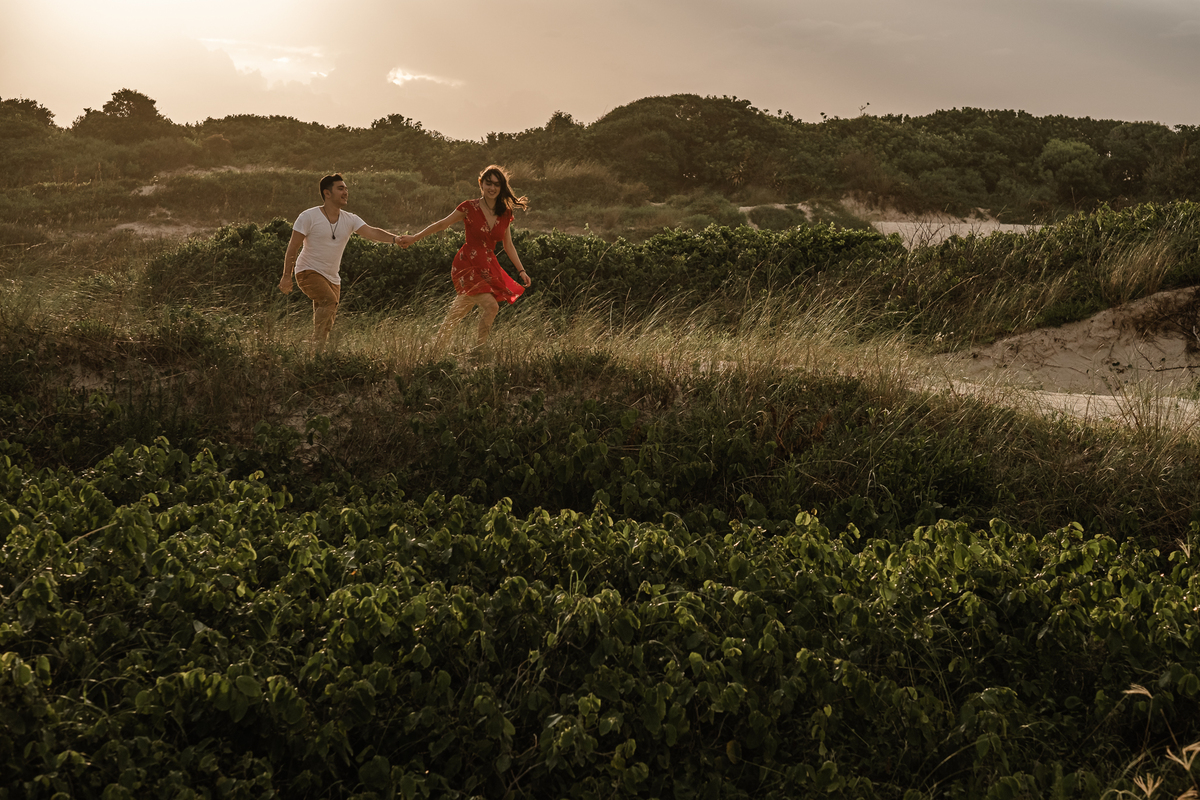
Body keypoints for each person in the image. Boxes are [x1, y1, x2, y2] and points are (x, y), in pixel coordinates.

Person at [399, 165, 532, 353]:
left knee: (459, 310)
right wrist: (414, 238)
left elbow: (508, 245)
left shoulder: (505, 213)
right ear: (481, 184)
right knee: (491, 306)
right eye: (488, 183)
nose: (492, 188)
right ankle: (479, 350)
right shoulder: (469, 207)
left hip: (487, 264)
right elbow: (442, 224)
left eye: (496, 184)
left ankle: (434, 348)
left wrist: (521, 270)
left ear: (502, 187)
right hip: (467, 262)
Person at [279, 173, 403, 349]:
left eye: (346, 188)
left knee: (326, 319)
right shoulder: (308, 216)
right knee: (329, 302)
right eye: (340, 188)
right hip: (308, 271)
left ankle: (315, 353)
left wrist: (396, 239)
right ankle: (315, 345)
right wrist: (286, 276)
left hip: (332, 278)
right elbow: (293, 247)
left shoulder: (350, 219)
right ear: (327, 193)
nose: (345, 192)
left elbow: (373, 232)